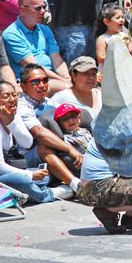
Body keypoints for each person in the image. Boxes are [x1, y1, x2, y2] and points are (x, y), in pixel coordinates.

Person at [0, 81, 57, 203]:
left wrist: (11, 123)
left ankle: (25, 192)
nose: (12, 100)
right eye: (6, 96)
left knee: (45, 176)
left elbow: (27, 143)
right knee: (23, 180)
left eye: (14, 95)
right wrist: (30, 175)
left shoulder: (13, 114)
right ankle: (48, 194)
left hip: (5, 172)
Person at [15, 64, 84, 198]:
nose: (42, 85)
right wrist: (70, 149)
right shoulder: (21, 106)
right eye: (35, 81)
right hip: (28, 156)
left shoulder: (51, 103)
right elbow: (39, 133)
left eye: (45, 80)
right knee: (44, 146)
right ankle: (77, 185)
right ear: (23, 86)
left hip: (57, 150)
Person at [2, 0, 71, 94]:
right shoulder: (11, 34)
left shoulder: (45, 29)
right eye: (38, 8)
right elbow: (33, 66)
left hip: (50, 77)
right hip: (32, 81)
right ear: (23, 10)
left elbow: (57, 59)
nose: (43, 12)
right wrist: (64, 81)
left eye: (44, 7)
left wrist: (67, 78)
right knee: (67, 89)